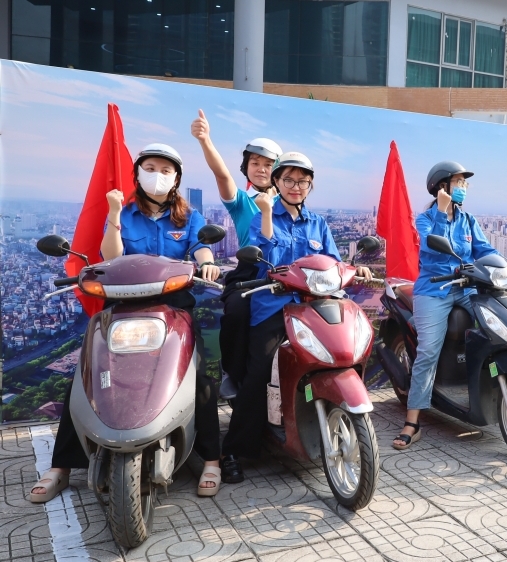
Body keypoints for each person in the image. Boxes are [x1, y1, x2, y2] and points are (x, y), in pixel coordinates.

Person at [30, 144, 225, 502]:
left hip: (173, 307)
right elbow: (111, 256)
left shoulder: (188, 217)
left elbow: (201, 249)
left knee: (199, 378)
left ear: (176, 179)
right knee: (85, 379)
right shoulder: (125, 212)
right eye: (150, 168)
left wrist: (208, 262)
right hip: (122, 307)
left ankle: (211, 460)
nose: (157, 176)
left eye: (166, 171)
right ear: (137, 174)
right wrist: (115, 213)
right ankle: (60, 467)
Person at [218, 151, 372, 482]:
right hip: (275, 306)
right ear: (276, 182)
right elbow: (264, 255)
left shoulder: (318, 223)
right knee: (260, 372)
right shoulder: (264, 215)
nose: (296, 186)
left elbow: (333, 261)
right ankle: (233, 449)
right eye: (288, 179)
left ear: (310, 186)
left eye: (303, 181)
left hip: (313, 305)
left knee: (344, 348)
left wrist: (353, 268)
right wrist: (266, 214)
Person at [392, 162, 507, 450]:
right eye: (458, 182)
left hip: (467, 288)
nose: (463, 188)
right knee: (428, 351)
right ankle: (412, 421)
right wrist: (441, 213)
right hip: (435, 290)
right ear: (441, 187)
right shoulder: (425, 219)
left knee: (499, 326)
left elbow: (485, 249)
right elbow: (431, 245)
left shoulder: (468, 220)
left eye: (464, 184)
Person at [191, 110, 282, 398]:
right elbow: (222, 175)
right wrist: (205, 141)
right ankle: (232, 370)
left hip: (283, 271)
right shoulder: (243, 202)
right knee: (237, 311)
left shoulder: (289, 201)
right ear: (246, 167)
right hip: (251, 273)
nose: (261, 169)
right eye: (255, 163)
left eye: (268, 165)